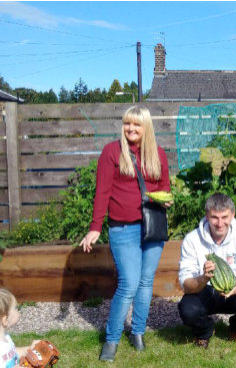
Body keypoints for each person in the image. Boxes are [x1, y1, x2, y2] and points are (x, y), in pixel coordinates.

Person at [79, 106, 171, 361]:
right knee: (129, 283)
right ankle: (112, 338)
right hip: (123, 228)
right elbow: (102, 192)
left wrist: (165, 198)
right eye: (127, 124)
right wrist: (95, 227)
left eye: (137, 125)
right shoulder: (112, 152)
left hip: (152, 226)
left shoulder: (158, 154)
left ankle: (138, 332)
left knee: (145, 281)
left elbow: (164, 185)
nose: (131, 129)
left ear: (146, 128)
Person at [178, 193, 236, 348]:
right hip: (204, 289)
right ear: (207, 215)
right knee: (187, 309)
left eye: (224, 217)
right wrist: (203, 278)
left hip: (234, 288)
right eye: (214, 217)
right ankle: (205, 331)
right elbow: (186, 284)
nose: (219, 223)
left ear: (232, 215)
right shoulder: (192, 240)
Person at [0, 288, 39, 368]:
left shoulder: (5, 337)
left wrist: (30, 349)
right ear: (5, 320)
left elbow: (12, 353)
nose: (18, 311)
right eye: (15, 308)